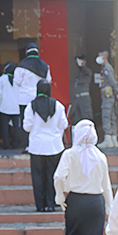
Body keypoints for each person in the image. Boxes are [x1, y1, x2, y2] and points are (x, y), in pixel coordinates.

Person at [54, 120, 112, 235]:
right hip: (96, 203)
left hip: (76, 202)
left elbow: (59, 177)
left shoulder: (69, 154)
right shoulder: (101, 156)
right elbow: (106, 185)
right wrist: (110, 207)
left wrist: (59, 195)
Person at [23, 80, 68, 212]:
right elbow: (64, 125)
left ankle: (41, 205)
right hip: (54, 146)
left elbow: (27, 127)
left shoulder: (31, 106)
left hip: (37, 147)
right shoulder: (58, 106)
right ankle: (51, 203)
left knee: (38, 177)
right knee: (53, 176)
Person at [13, 43, 52, 150]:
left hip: (24, 99)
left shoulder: (21, 66)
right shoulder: (45, 65)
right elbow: (48, 80)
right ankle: (39, 145)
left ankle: (26, 145)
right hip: (39, 97)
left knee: (25, 121)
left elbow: (17, 81)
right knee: (39, 121)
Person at [96, 51, 118, 148]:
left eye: (100, 56)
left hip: (108, 96)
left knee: (106, 116)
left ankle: (108, 139)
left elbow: (112, 81)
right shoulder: (105, 67)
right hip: (109, 96)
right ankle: (113, 139)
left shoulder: (107, 68)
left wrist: (116, 92)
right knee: (111, 116)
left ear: (104, 57)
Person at [0, 61, 21, 149]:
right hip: (16, 107)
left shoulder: (2, 78)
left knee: (5, 127)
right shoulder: (18, 79)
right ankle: (15, 144)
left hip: (4, 106)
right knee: (16, 127)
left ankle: (6, 144)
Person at [69, 55, 93, 127]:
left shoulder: (87, 72)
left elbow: (84, 70)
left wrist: (81, 66)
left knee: (86, 117)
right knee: (75, 117)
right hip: (77, 98)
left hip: (84, 98)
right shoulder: (79, 73)